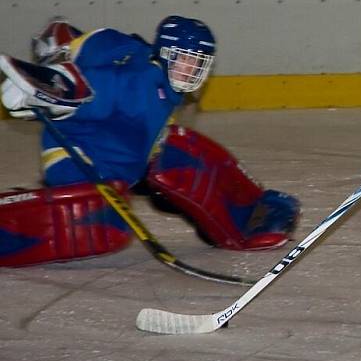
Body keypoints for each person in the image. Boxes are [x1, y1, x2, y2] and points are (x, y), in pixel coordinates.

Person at [0, 16, 298, 267]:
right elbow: (87, 90)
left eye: (197, 64)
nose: (189, 71)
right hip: (86, 160)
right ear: (166, 55)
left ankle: (254, 211)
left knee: (183, 155)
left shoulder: (153, 71)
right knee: (97, 220)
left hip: (131, 158)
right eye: (184, 61)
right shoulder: (134, 80)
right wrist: (42, 93)